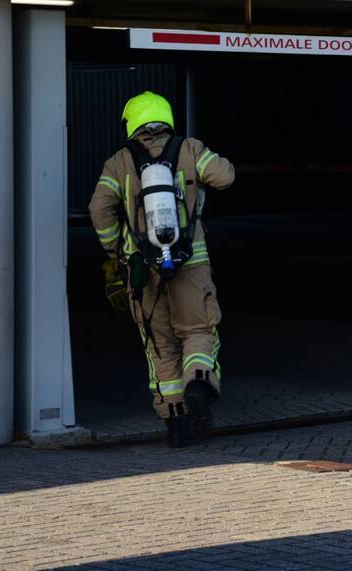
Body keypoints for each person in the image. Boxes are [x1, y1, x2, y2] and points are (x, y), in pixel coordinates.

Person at [89, 91, 235, 448]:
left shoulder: (119, 163)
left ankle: (176, 426)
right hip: (191, 262)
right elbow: (226, 176)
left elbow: (98, 210)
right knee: (198, 331)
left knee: (160, 346)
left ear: (132, 122)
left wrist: (114, 249)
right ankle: (198, 382)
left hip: (142, 269)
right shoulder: (190, 148)